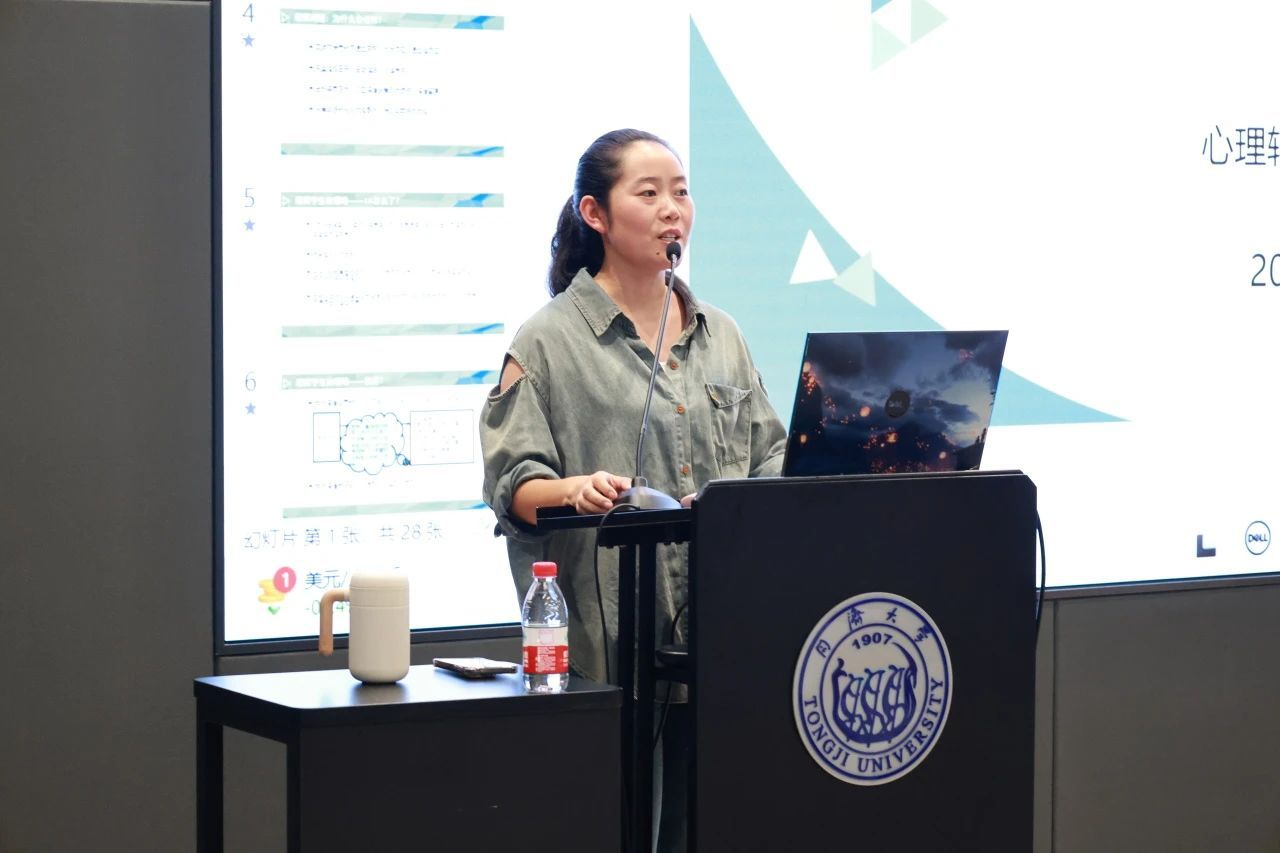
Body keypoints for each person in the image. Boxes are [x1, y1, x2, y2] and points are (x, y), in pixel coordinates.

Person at [479, 128, 786, 851]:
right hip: (611, 648)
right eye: (648, 193)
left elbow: (771, 454)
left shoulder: (721, 333)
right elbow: (513, 484)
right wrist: (574, 488)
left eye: (681, 192)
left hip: (720, 638)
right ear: (595, 213)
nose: (672, 209)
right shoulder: (547, 340)